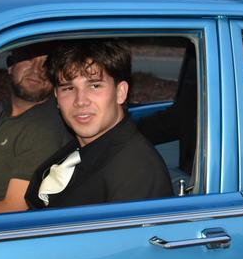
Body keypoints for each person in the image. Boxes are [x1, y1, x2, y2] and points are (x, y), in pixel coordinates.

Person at [25, 40, 172, 209]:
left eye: (94, 85)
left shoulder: (137, 174)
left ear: (120, 93)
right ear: (57, 98)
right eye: (68, 88)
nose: (80, 101)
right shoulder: (80, 149)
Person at [138, 48, 243, 180]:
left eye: (220, 55)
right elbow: (155, 127)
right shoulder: (195, 100)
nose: (213, 63)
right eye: (207, 57)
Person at [0, 44, 72, 214]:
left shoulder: (43, 127)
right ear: (11, 66)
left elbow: (15, 206)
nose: (37, 70)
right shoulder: (0, 110)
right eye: (29, 60)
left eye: (46, 64)